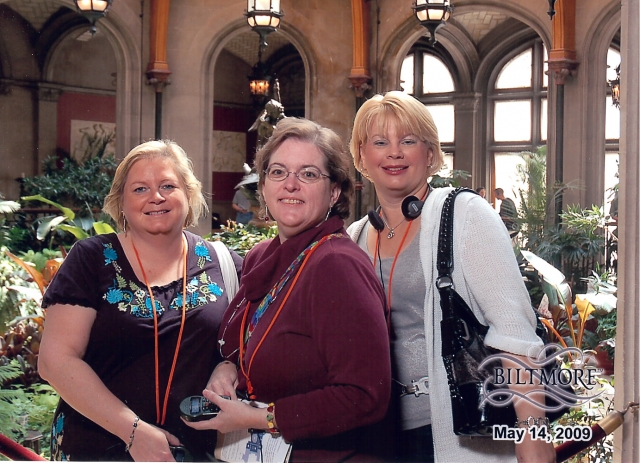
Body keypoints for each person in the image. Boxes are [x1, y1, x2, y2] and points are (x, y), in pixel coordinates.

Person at [347, 91, 556, 463]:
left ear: (429, 154)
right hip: (377, 436)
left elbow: (515, 334)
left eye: (408, 141)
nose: (394, 152)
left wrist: (533, 443)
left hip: (454, 431)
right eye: (380, 142)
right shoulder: (356, 236)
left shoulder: (465, 215)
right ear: (362, 155)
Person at [185, 118, 391, 461]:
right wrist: (228, 367)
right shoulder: (260, 256)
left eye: (309, 174)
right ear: (264, 186)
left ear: (335, 192)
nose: (290, 185)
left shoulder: (338, 264)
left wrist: (258, 418)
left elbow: (365, 395)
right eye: (278, 172)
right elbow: (248, 340)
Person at [38, 140, 243, 461]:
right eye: (140, 189)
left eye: (167, 186)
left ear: (189, 195)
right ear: (120, 202)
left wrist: (230, 365)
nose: (155, 197)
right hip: (96, 447)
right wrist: (133, 431)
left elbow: (252, 340)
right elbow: (55, 361)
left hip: (194, 450)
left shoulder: (224, 263)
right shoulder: (91, 259)